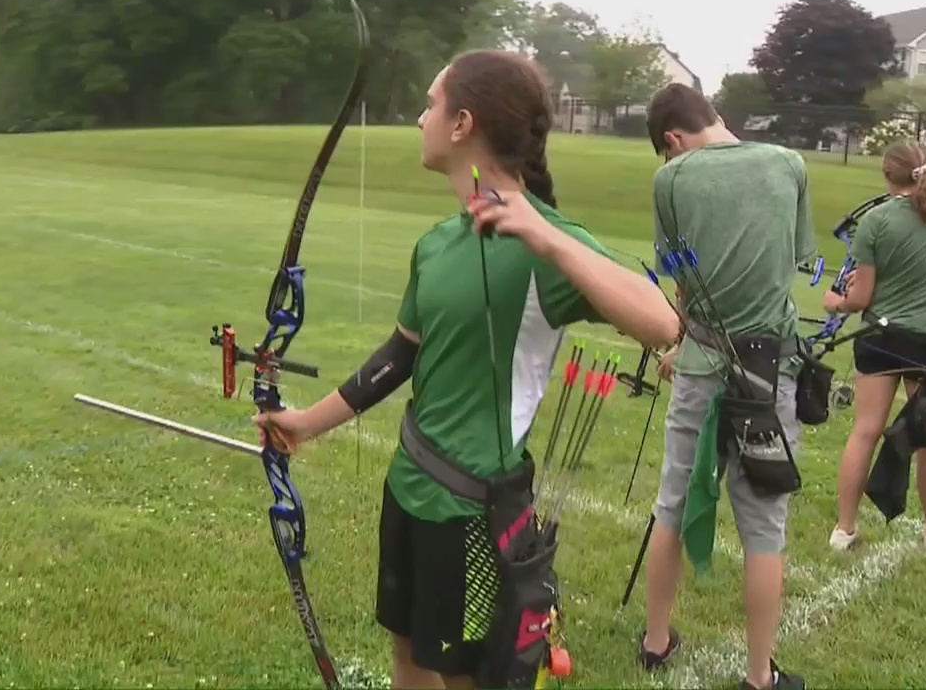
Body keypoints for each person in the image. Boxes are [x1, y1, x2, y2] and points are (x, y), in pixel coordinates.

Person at [252, 49, 680, 689]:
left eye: (431, 104)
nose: (421, 117)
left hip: (474, 514)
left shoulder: (546, 243)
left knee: (467, 680)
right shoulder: (438, 243)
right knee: (411, 654)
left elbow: (662, 322)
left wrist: (547, 237)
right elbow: (402, 355)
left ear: (462, 125)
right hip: (410, 488)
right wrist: (307, 423)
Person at [641, 83, 814, 690]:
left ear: (672, 139)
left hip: (702, 365)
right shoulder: (788, 164)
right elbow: (792, 260)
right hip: (771, 371)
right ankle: (760, 678)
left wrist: (681, 343)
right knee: (764, 526)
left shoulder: (671, 180)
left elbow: (682, 281)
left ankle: (656, 640)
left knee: (672, 503)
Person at [821, 142, 926, 559]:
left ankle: (844, 529)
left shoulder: (875, 221)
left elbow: (860, 298)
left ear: (888, 176)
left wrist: (836, 301)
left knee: (866, 430)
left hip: (883, 339)